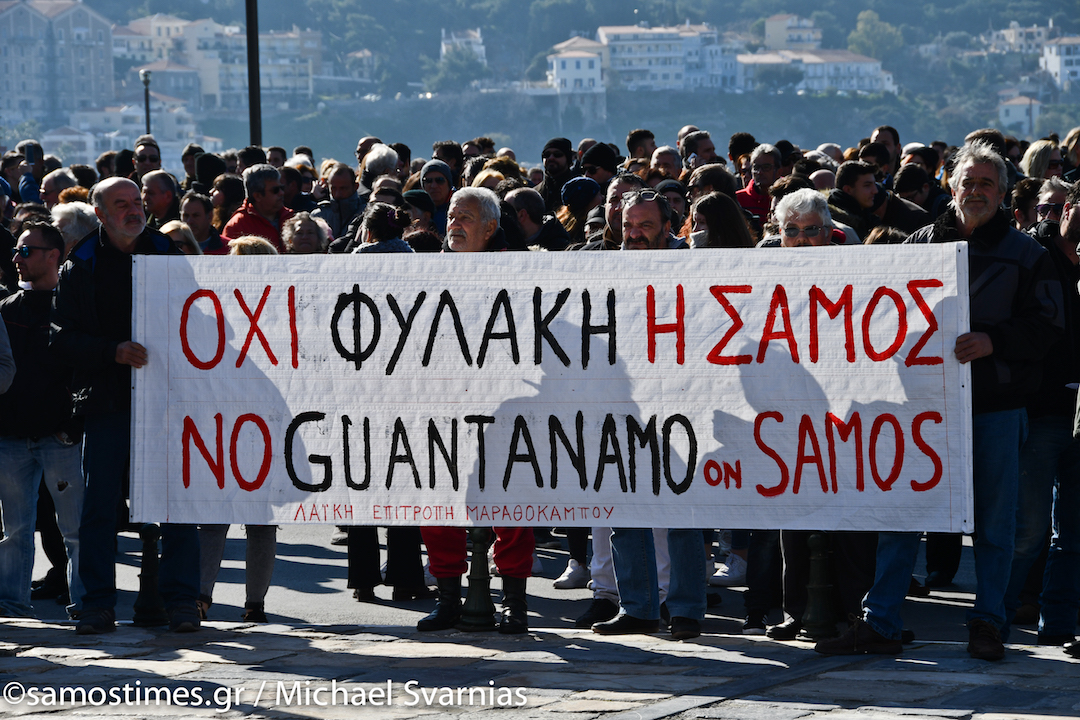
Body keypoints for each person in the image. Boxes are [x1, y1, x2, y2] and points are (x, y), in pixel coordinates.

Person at [816, 141, 1064, 661]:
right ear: (951, 187)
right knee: (903, 515)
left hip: (996, 409)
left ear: (1002, 193)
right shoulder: (918, 246)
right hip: (923, 407)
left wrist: (994, 341)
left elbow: (1047, 329)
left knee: (996, 526)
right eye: (967, 183)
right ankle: (879, 620)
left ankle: (988, 623)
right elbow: (885, 316)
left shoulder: (1028, 255)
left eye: (986, 185)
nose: (975, 192)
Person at [51, 177, 202, 634]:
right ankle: (97, 604)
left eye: (137, 201)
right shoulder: (80, 266)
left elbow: (202, 319)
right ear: (100, 214)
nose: (133, 210)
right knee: (100, 507)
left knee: (176, 506)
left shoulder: (167, 255)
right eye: (121, 204)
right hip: (108, 403)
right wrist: (110, 351)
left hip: (165, 402)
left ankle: (181, 603)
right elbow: (61, 339)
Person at [591, 187, 706, 640]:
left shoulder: (694, 268)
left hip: (681, 403)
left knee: (681, 513)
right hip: (624, 403)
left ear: (669, 227)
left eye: (646, 227)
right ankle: (638, 607)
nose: (635, 235)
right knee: (624, 506)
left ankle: (686, 609)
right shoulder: (606, 266)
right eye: (628, 227)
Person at [418, 187, 532, 634]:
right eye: (450, 216)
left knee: (512, 507)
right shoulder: (428, 275)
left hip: (507, 409)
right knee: (440, 503)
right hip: (446, 406)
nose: (454, 224)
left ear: (489, 227)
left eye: (464, 217)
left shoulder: (519, 276)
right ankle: (447, 598)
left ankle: (514, 603)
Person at [1002, 179, 1080, 647]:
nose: (1052, 215)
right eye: (1047, 208)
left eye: (1058, 207)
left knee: (1072, 533)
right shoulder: (1037, 256)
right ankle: (998, 613)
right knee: (1028, 528)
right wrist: (1056, 235)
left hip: (1078, 414)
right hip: (1046, 411)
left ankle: (1057, 623)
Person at [0, 222, 83, 618]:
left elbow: (84, 369)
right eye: (16, 250)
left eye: (26, 251)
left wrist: (73, 424)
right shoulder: (6, 308)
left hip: (60, 437)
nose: (16, 258)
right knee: (14, 531)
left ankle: (86, 603)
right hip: (12, 436)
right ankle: (11, 605)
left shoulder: (72, 306)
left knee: (75, 530)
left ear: (54, 255)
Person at [222, 165, 294, 252]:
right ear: (257, 196)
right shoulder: (238, 226)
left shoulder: (291, 218)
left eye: (282, 188)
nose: (282, 193)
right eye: (275, 190)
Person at [535, 138, 579, 214]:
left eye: (557, 154)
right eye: (547, 155)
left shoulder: (577, 190)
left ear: (567, 159)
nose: (551, 158)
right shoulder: (535, 193)